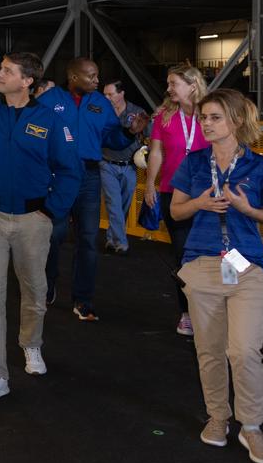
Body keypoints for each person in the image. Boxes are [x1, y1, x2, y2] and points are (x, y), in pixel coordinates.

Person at [0, 52, 81, 404]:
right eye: (1, 67)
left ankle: (31, 344)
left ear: (27, 81)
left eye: (7, 70)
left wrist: (51, 211)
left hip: (32, 219)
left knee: (34, 291)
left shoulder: (50, 120)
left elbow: (70, 170)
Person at [169, 89, 263, 463]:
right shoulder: (193, 163)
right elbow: (176, 212)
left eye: (215, 117)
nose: (206, 123)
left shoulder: (261, 167)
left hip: (247, 266)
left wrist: (247, 208)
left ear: (236, 121)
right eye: (204, 117)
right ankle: (218, 417)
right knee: (209, 351)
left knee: (244, 350)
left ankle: (251, 426)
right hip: (202, 264)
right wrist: (199, 203)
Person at [38, 59, 148, 321]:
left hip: (89, 176)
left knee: (88, 239)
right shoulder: (50, 99)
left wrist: (130, 132)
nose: (97, 81)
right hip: (57, 176)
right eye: (91, 76)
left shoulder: (99, 103)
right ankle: (47, 284)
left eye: (97, 75)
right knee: (53, 234)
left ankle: (82, 300)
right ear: (73, 76)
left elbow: (112, 137)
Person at [143, 64, 209, 335]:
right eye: (168, 84)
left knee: (211, 253)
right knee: (183, 255)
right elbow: (156, 152)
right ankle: (187, 312)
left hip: (208, 193)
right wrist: (150, 184)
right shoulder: (164, 117)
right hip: (173, 193)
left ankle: (213, 309)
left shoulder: (211, 114)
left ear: (192, 85)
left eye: (173, 83)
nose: (168, 88)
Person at [100, 80, 146, 256]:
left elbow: (148, 133)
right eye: (104, 94)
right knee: (114, 203)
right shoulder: (102, 111)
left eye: (110, 94)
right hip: (106, 164)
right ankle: (121, 243)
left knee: (124, 206)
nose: (106, 98)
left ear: (121, 93)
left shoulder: (136, 112)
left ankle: (112, 239)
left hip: (129, 166)